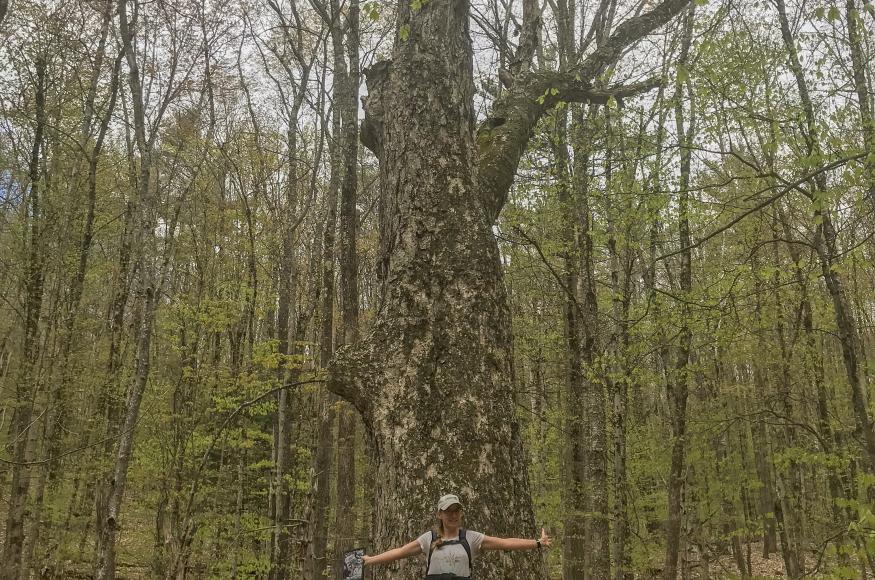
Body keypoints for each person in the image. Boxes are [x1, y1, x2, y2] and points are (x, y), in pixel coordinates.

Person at [362, 493, 551, 579]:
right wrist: (370, 560)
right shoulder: (428, 538)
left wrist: (537, 543)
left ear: (461, 513)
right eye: (448, 511)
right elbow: (399, 552)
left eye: (456, 511)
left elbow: (505, 543)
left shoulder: (471, 538)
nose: (452, 515)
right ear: (439, 514)